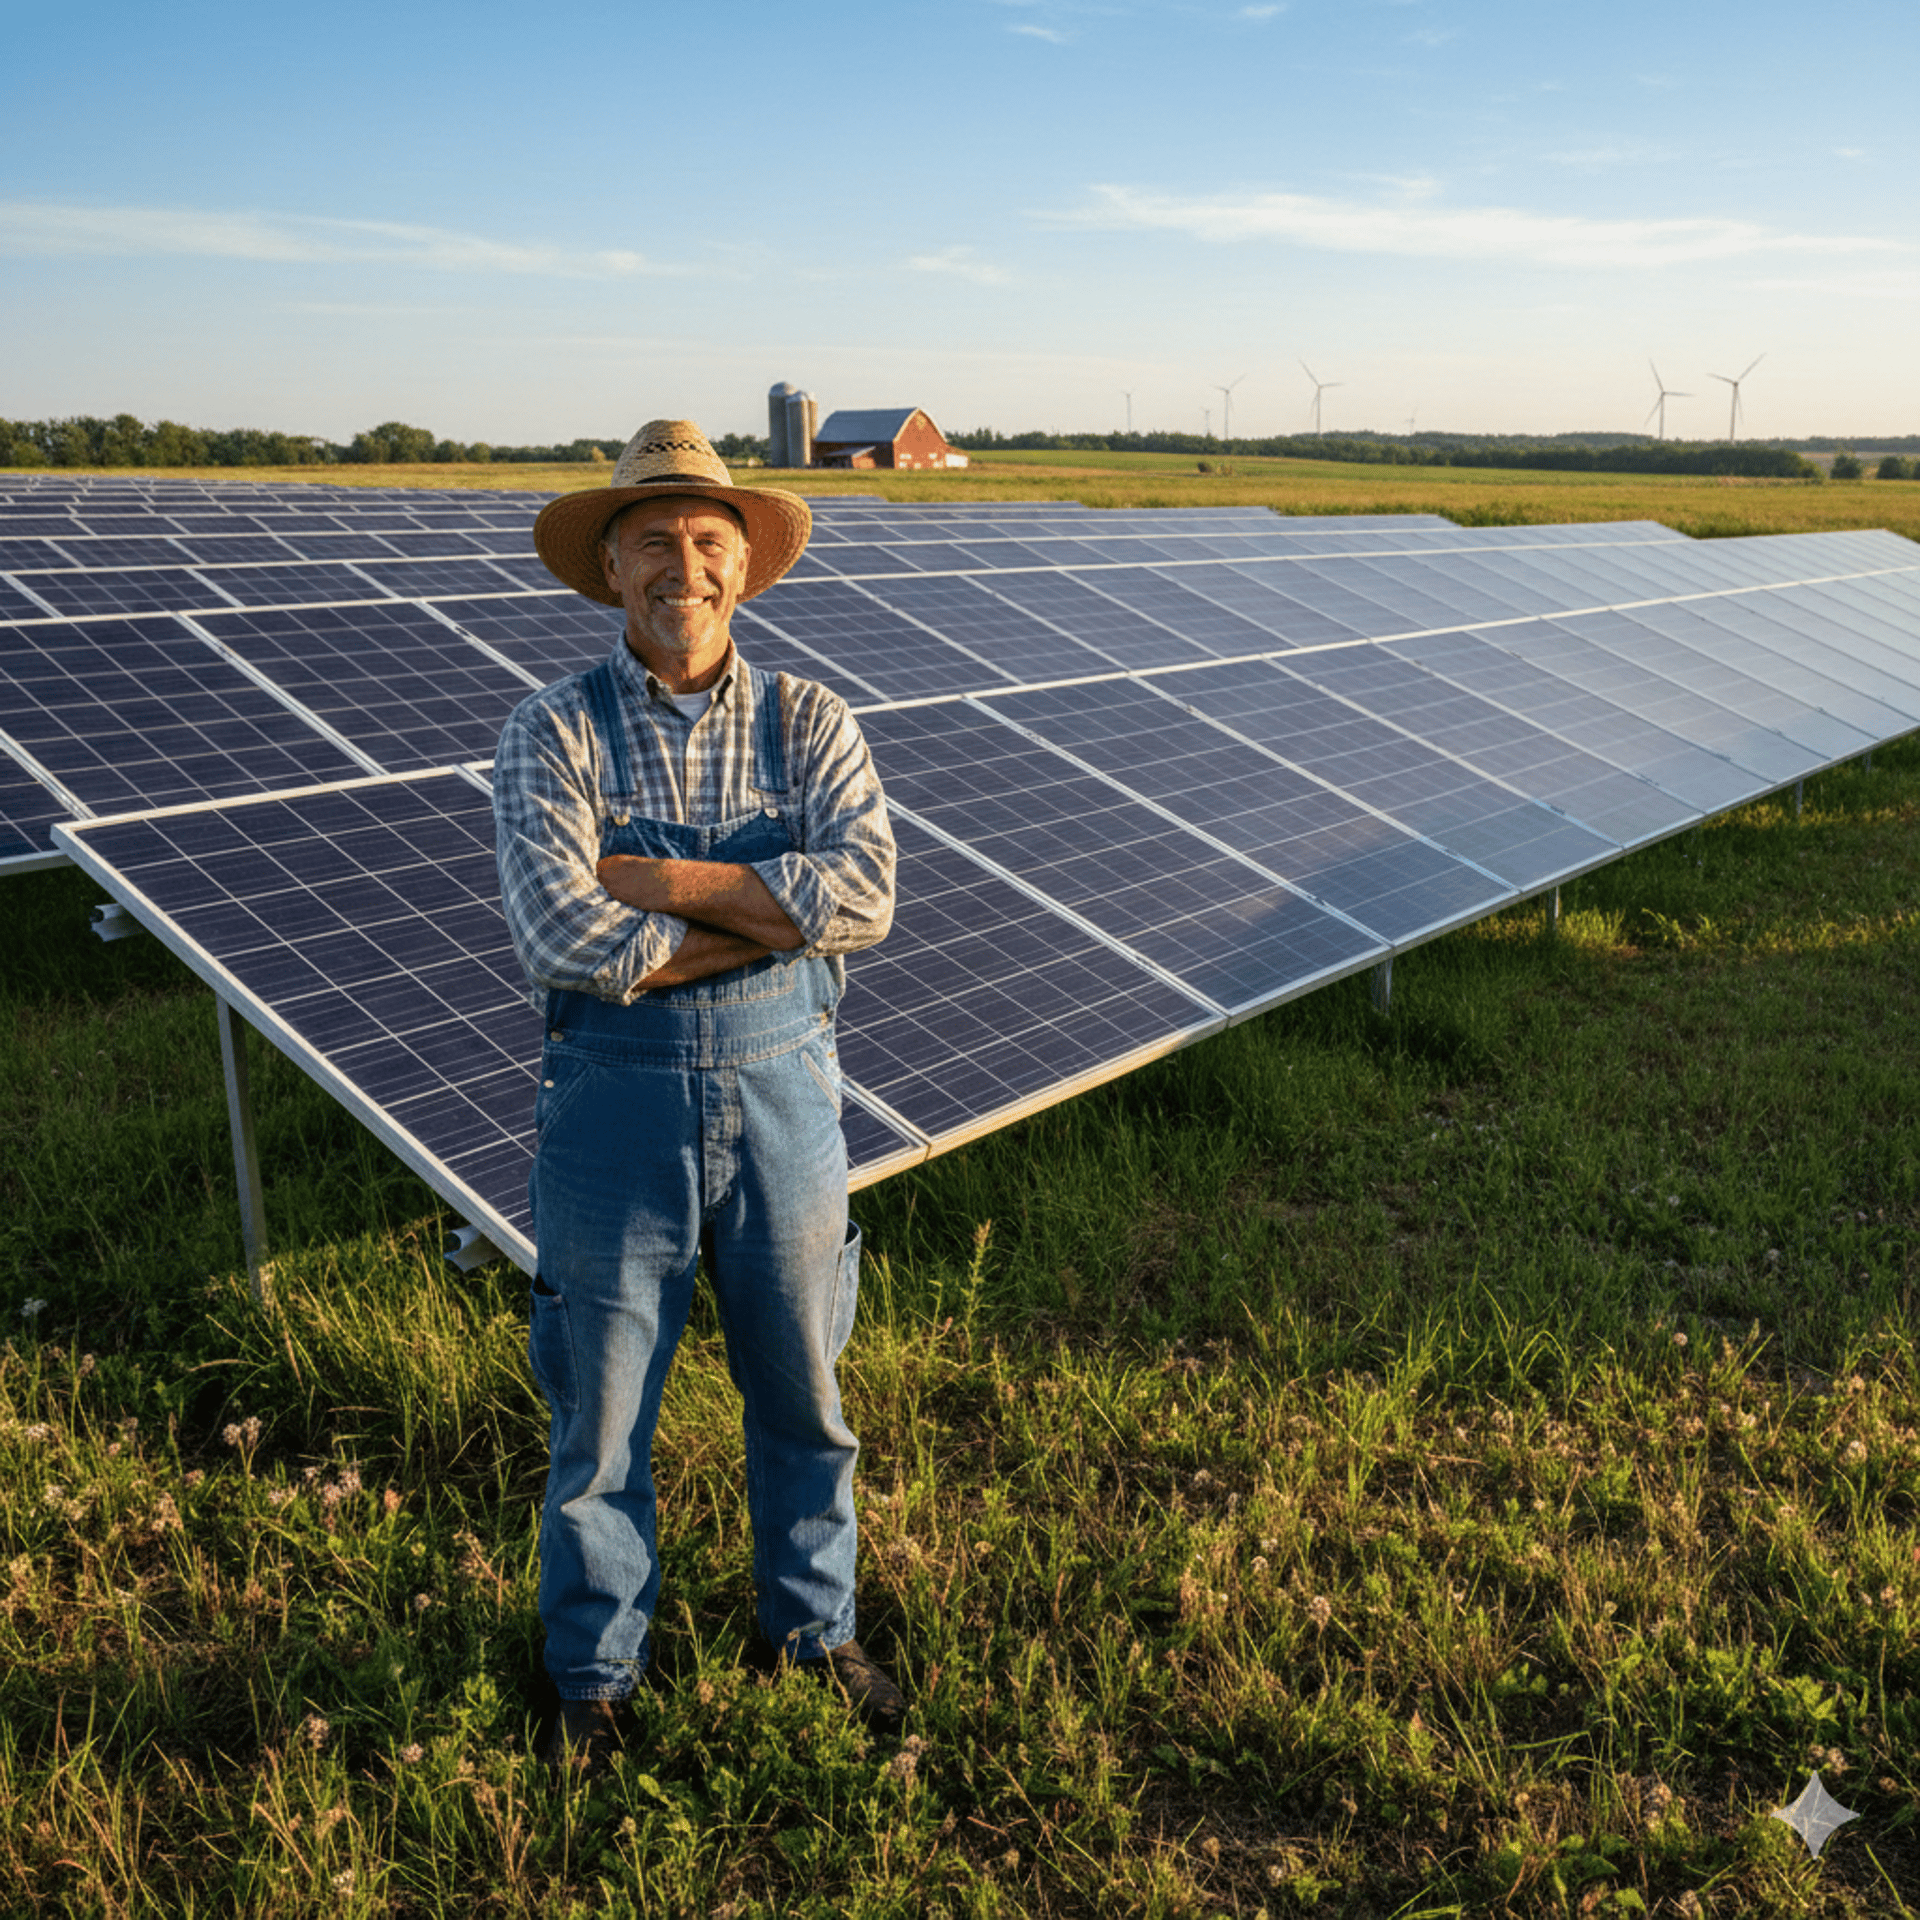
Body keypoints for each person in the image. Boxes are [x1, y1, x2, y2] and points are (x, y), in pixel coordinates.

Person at [492, 419, 900, 1773]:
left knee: (804, 1391)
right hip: (612, 1115)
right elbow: (557, 938)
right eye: (654, 540)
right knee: (601, 1417)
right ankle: (594, 1675)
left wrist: (654, 883)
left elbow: (871, 897)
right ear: (610, 568)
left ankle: (815, 1629)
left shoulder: (812, 720)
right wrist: (773, 913)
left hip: (787, 1101)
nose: (685, 564)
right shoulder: (551, 728)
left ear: (746, 564)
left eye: (708, 538)